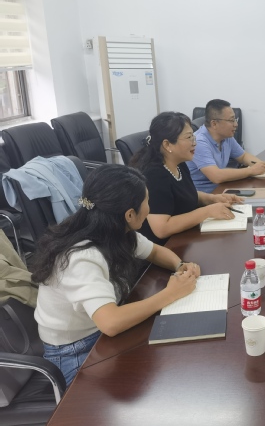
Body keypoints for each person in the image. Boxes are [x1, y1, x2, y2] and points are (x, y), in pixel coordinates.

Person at [31, 165, 200, 387]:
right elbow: (111, 323)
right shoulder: (81, 257)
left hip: (99, 331)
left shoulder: (113, 229)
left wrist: (180, 265)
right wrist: (171, 293)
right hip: (76, 350)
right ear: (129, 214)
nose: (149, 208)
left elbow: (155, 251)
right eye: (147, 202)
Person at [130, 112, 243, 246]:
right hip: (163, 247)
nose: (194, 143)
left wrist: (212, 199)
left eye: (193, 136)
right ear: (167, 145)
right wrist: (207, 211)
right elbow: (162, 229)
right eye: (189, 137)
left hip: (184, 238)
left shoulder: (179, 163)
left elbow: (183, 194)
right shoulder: (154, 175)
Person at [187, 99, 265, 193]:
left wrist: (263, 165)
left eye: (235, 120)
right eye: (231, 120)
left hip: (223, 188)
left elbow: (243, 156)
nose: (236, 124)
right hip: (205, 195)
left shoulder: (226, 137)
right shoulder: (199, 142)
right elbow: (216, 176)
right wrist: (251, 170)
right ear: (214, 124)